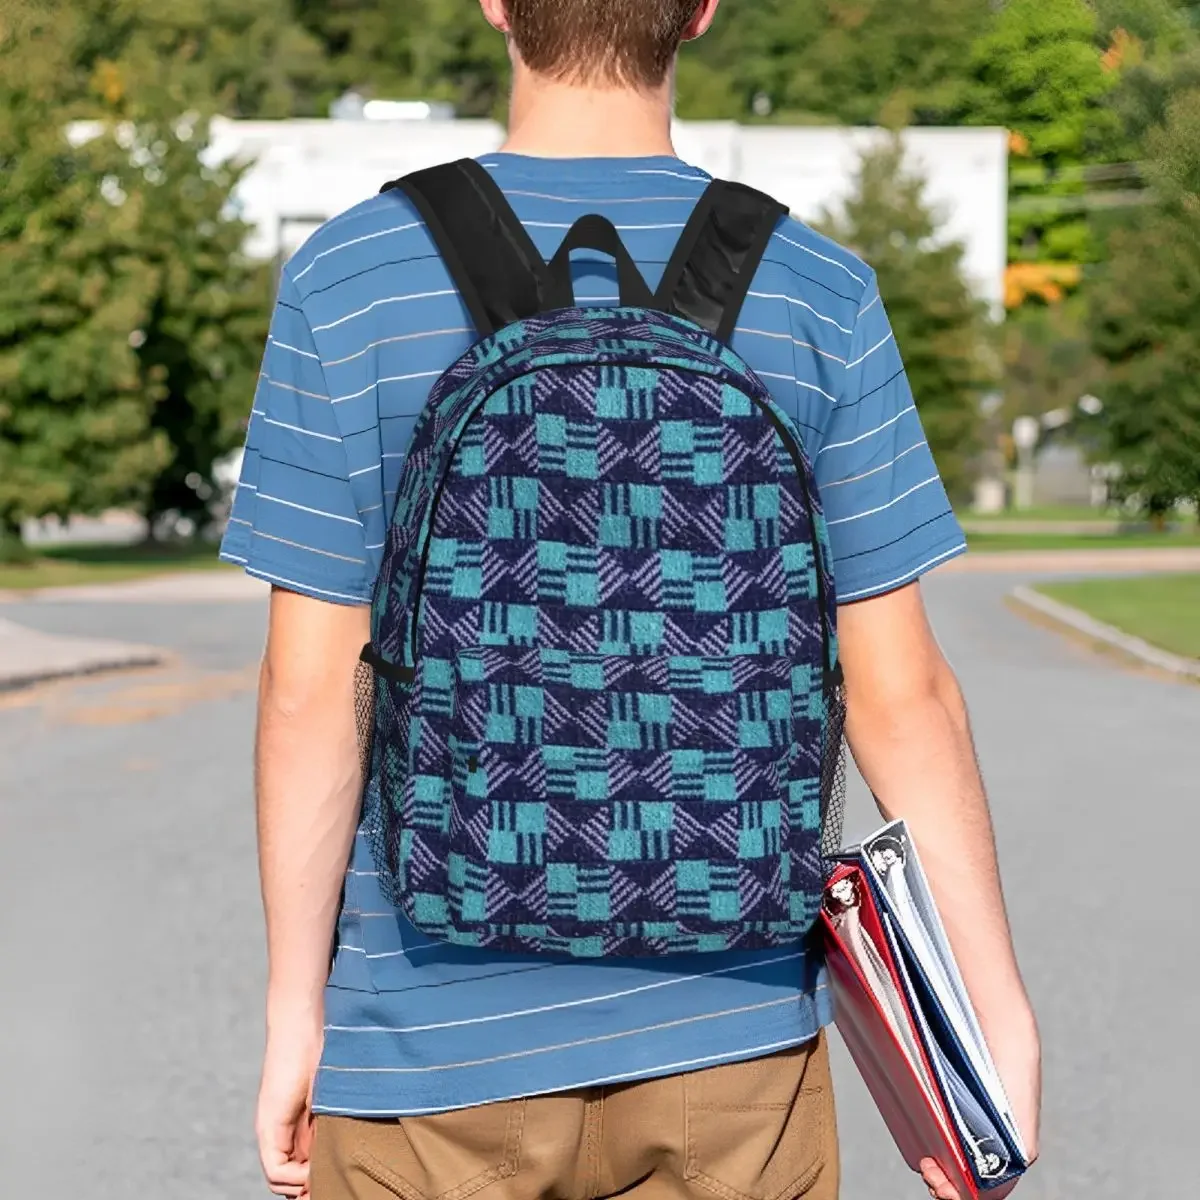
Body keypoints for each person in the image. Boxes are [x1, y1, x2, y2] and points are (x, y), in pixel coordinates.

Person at [221, 3, 1041, 1198]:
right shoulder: (818, 290)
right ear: (701, 10)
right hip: (735, 1046)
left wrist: (299, 1011)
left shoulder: (351, 280)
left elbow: (309, 691)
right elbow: (901, 693)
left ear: (497, 3)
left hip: (426, 1049)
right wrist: (987, 1012)